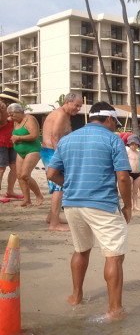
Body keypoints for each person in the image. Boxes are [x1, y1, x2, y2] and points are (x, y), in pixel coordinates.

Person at [46, 102, 132, 320]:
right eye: (115, 123)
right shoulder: (113, 139)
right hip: (102, 203)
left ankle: (76, 296)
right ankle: (115, 310)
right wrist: (128, 205)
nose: (115, 127)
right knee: (113, 256)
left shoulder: (67, 139)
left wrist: (71, 185)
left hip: (73, 204)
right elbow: (123, 177)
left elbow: (51, 173)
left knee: (81, 250)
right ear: (110, 120)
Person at [41, 92, 83, 231]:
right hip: (52, 152)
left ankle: (51, 217)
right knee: (59, 186)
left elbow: (65, 134)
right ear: (67, 102)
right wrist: (61, 158)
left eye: (80, 106)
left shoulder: (65, 115)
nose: (78, 109)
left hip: (51, 152)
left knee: (59, 186)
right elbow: (55, 138)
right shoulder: (60, 114)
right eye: (76, 105)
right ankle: (54, 224)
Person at [7, 103, 44, 207]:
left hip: (32, 149)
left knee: (25, 175)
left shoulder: (29, 119)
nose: (11, 117)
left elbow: (34, 135)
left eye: (12, 115)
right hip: (20, 152)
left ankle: (39, 196)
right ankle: (27, 200)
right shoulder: (16, 121)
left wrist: (18, 138)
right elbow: (8, 120)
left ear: (19, 112)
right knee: (19, 176)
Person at [0, 100, 22, 203]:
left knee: (15, 168)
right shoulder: (1, 108)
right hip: (1, 142)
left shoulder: (11, 109)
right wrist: (6, 118)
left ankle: (10, 191)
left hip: (12, 142)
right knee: (1, 169)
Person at [126, 135, 140, 212]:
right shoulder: (127, 153)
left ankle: (135, 205)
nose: (133, 146)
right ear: (129, 145)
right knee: (129, 190)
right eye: (132, 144)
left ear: (137, 145)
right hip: (130, 173)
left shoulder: (139, 153)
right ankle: (128, 205)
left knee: (135, 191)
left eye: (135, 144)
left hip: (137, 173)